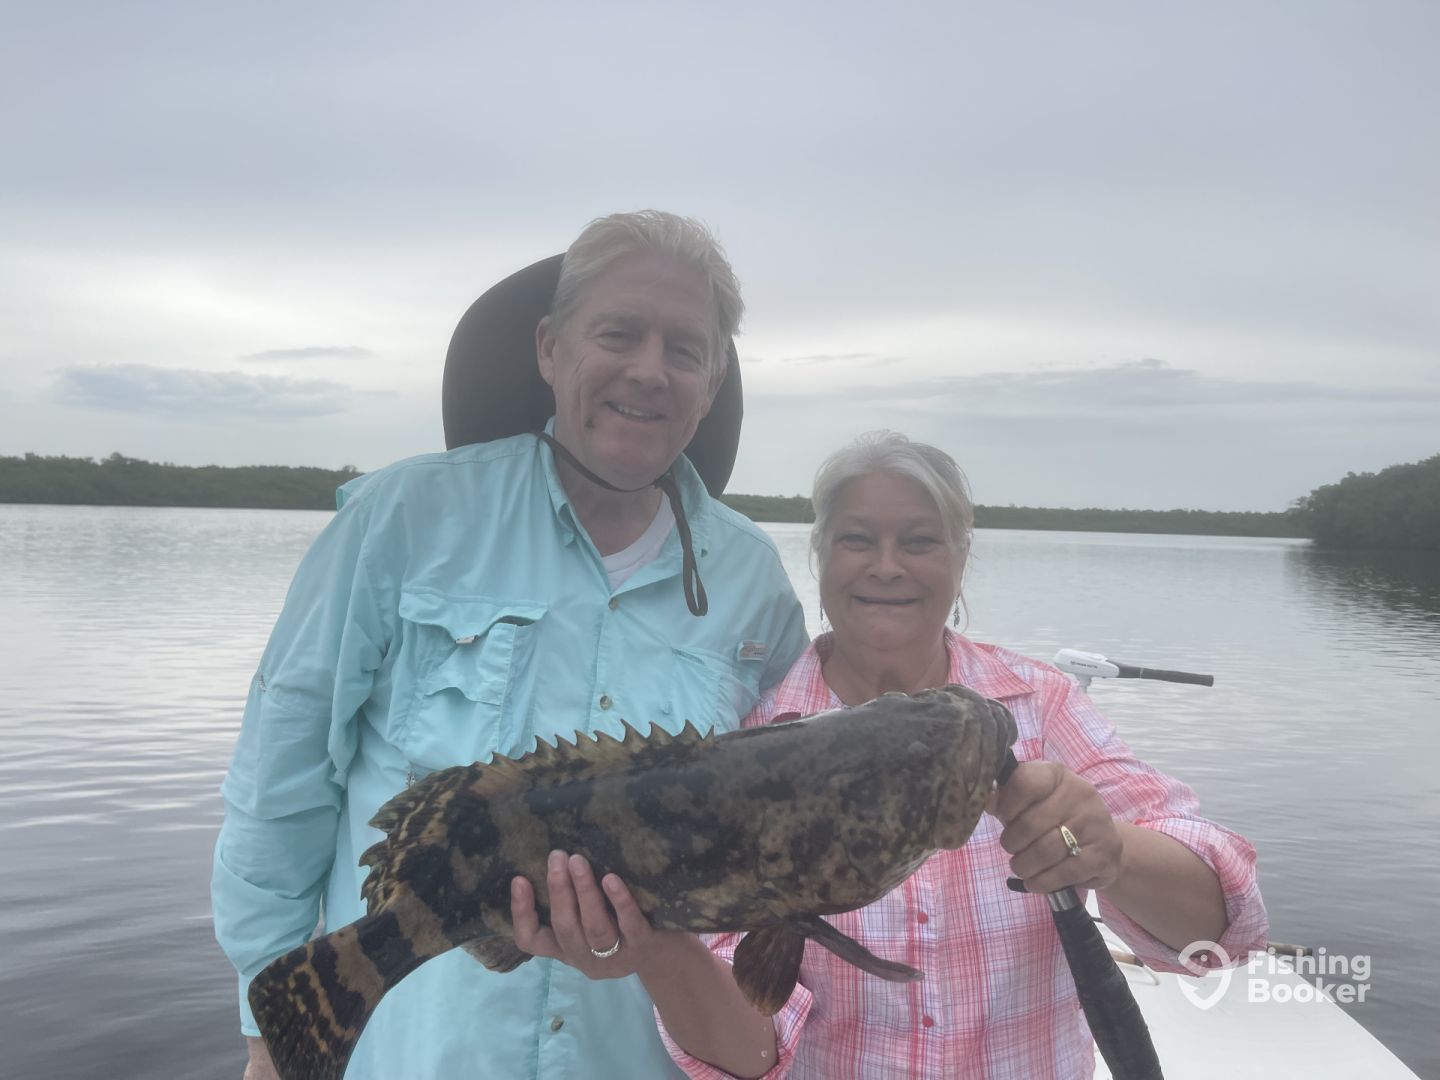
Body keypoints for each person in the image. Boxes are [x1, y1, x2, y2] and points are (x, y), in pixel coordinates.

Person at [211, 211, 809, 1080]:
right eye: (618, 333)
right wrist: (270, 1037)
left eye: (684, 349)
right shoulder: (401, 521)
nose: (649, 370)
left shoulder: (754, 581)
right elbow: (280, 786)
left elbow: (783, 835)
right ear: (550, 349)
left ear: (711, 384)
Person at [515, 430, 1268, 1079]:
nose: (886, 566)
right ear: (820, 556)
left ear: (961, 558)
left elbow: (1221, 935)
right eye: (856, 539)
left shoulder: (1039, 703)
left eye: (919, 541)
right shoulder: (749, 741)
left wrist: (1112, 851)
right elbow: (749, 1055)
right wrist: (658, 950)